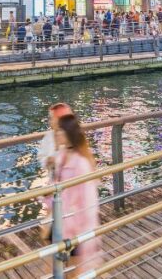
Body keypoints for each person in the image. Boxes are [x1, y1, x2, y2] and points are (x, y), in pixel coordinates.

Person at [52, 114, 102, 273]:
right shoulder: (61, 156)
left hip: (76, 229)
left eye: (60, 130)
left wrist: (84, 232)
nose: (56, 133)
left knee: (72, 271)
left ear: (69, 133)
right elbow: (54, 187)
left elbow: (89, 202)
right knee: (58, 268)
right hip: (60, 223)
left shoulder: (81, 164)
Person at [38, 102, 74, 175]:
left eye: (52, 118)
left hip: (72, 178)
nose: (50, 121)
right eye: (50, 118)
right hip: (55, 179)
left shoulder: (74, 135)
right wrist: (47, 160)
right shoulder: (48, 136)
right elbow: (41, 156)